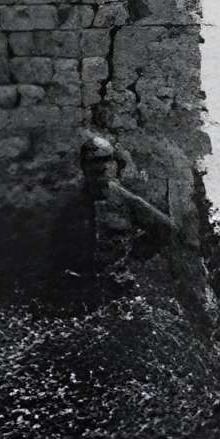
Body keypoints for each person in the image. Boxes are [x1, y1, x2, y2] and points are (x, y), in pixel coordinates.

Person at [46, 130, 178, 310]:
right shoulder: (71, 207)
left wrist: (134, 255)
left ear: (113, 163)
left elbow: (166, 228)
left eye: (105, 160)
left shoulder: (127, 201)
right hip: (81, 294)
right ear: (83, 165)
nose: (100, 167)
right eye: (93, 161)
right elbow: (57, 250)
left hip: (119, 291)